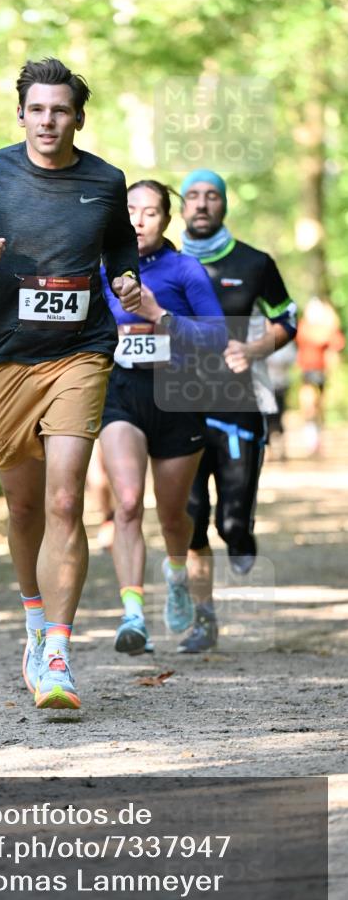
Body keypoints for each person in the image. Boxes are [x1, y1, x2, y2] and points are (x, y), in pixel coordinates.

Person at [0, 58, 141, 709]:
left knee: (66, 501)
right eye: (37, 109)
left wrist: (123, 278)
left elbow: (119, 247)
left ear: (78, 117)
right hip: (6, 358)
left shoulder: (104, 180)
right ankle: (34, 619)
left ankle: (60, 654)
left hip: (82, 351)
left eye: (60, 110)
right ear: (21, 114)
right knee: (23, 507)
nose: (48, 121)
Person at [99, 180, 227, 655]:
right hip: (123, 392)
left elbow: (218, 340)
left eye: (150, 212)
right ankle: (133, 615)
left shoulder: (184, 270)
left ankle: (177, 577)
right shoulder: (103, 268)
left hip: (178, 395)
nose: (138, 220)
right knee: (128, 503)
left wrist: (159, 314)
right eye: (130, 210)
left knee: (177, 518)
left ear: (166, 221)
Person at [179, 169, 297, 653]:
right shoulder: (161, 262)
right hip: (176, 406)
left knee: (230, 520)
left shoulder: (254, 262)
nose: (202, 204)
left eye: (212, 196)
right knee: (190, 521)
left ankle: (242, 537)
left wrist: (253, 350)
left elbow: (287, 318)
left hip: (238, 404)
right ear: (181, 207)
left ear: (224, 205)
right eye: (193, 196)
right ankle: (203, 621)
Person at [296, 297, 345, 456]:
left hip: (322, 371)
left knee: (319, 407)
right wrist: (326, 331)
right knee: (308, 406)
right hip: (307, 371)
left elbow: (337, 343)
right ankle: (311, 439)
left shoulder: (326, 326)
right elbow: (312, 338)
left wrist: (330, 326)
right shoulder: (305, 326)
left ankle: (318, 439)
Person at [265, 339, 297, 459]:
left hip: (281, 385)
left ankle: (282, 450)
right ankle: (268, 450)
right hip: (266, 386)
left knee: (280, 417)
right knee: (267, 419)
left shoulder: (286, 341)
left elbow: (291, 358)